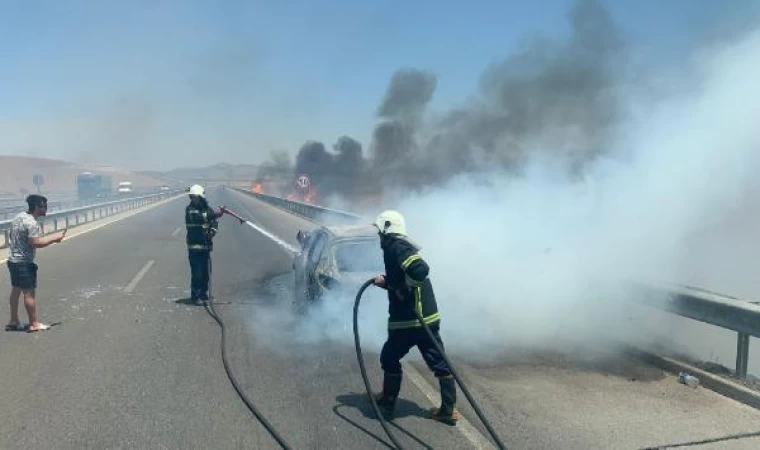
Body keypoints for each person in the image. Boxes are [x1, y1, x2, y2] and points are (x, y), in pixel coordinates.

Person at [370, 210, 460, 425]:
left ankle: (388, 402)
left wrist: (403, 287)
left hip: (409, 319)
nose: (378, 237)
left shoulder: (396, 247)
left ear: (386, 230)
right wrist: (388, 282)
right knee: (439, 362)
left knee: (389, 357)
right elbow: (403, 276)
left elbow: (420, 270)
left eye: (379, 232)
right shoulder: (401, 247)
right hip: (428, 317)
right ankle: (448, 410)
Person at [6, 194, 65, 332]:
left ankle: (13, 320)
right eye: (44, 206)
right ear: (38, 206)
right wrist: (54, 238)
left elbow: (12, 236)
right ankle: (34, 323)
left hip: (13, 260)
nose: (46, 209)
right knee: (29, 293)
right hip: (24, 262)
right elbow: (35, 243)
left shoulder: (18, 217)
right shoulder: (32, 223)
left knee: (16, 290)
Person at [185, 185, 221, 305]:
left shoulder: (207, 209)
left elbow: (214, 222)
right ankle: (196, 296)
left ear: (200, 197)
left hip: (205, 247)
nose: (192, 199)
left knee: (205, 273)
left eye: (194, 197)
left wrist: (212, 231)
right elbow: (198, 217)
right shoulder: (190, 209)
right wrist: (215, 214)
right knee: (197, 273)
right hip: (194, 248)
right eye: (191, 197)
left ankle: (204, 294)